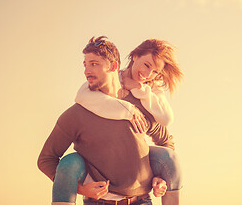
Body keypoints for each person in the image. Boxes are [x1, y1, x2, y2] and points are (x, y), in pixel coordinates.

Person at [38, 36, 176, 205]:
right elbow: (46, 159)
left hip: (141, 201)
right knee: (69, 162)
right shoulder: (76, 114)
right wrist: (80, 188)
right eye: (85, 65)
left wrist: (160, 177)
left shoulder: (141, 102)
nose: (86, 71)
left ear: (113, 66)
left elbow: (166, 142)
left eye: (94, 64)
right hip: (98, 202)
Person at [74, 38, 183, 205]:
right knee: (69, 165)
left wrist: (160, 177)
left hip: (138, 193)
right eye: (146, 65)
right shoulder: (109, 80)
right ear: (135, 56)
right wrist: (128, 110)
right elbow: (81, 96)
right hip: (99, 194)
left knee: (170, 158)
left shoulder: (149, 95)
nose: (147, 75)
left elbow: (166, 136)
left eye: (154, 72)